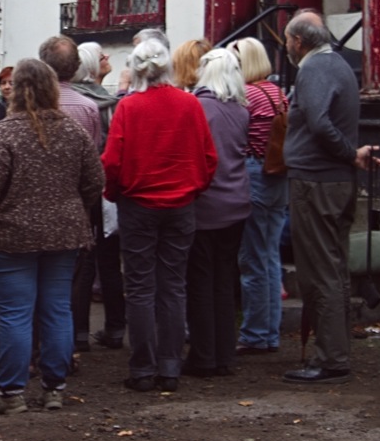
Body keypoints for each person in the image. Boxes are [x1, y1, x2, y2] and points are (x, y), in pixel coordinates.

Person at [0, 59, 104, 415]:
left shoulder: (4, 134)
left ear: (18, 89)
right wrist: (70, 207)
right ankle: (54, 388)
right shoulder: (74, 131)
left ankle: (12, 393)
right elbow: (94, 182)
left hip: (10, 236)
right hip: (63, 234)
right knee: (57, 309)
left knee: (15, 314)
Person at [101, 38, 216, 393]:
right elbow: (208, 156)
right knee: (173, 286)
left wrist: (113, 193)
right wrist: (194, 188)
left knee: (139, 287)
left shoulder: (128, 107)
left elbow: (112, 161)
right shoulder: (189, 104)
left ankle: (143, 368)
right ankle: (169, 366)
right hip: (180, 205)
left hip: (138, 204)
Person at [281, 11, 379, 385]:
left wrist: (349, 154)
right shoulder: (337, 65)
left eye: (287, 40)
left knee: (319, 271)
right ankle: (335, 352)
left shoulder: (314, 68)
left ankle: (331, 358)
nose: (286, 46)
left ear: (298, 41)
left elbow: (320, 124)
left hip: (317, 182)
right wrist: (349, 154)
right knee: (333, 268)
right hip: (331, 180)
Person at [184, 49, 251, 377]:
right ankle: (224, 354)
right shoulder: (240, 109)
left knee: (200, 280)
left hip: (206, 203)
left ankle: (203, 355)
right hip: (236, 202)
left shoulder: (198, 106)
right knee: (224, 280)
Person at [37, 35, 102, 354]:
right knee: (72, 277)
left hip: (37, 204)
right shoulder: (89, 108)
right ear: (76, 68)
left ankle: (39, 345)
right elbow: (93, 161)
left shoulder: (32, 109)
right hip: (74, 205)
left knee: (37, 277)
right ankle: (72, 340)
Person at [231, 36, 289, 355]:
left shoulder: (248, 95)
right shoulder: (277, 93)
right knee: (270, 256)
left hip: (254, 173)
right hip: (277, 174)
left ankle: (255, 333)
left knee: (252, 259)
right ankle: (269, 332)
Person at [71, 41, 125, 349]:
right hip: (106, 189)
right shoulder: (110, 103)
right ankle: (115, 328)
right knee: (109, 260)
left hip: (80, 189)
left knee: (83, 262)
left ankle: (79, 332)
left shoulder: (70, 101)